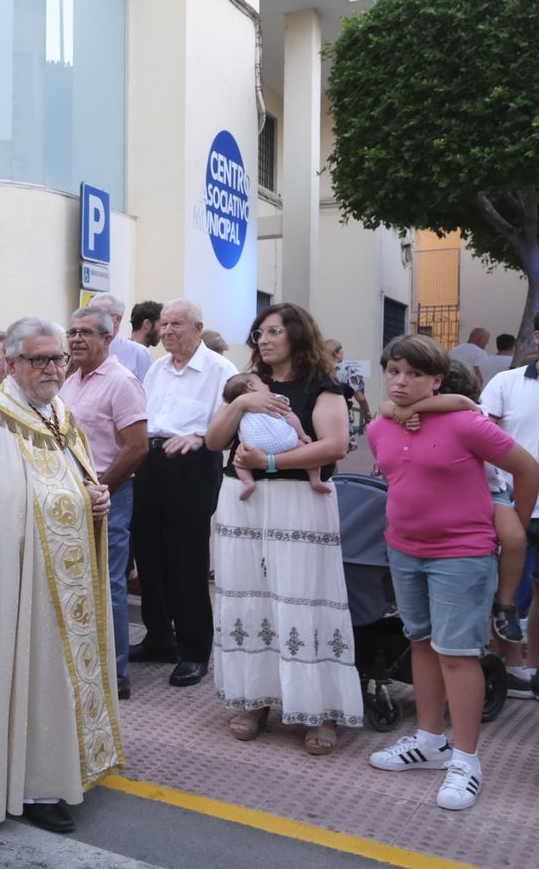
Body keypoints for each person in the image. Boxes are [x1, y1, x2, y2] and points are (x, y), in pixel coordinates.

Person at [0, 315, 121, 837]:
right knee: (28, 668)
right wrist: (74, 501)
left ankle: (62, 765)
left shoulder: (59, 414)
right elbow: (2, 508)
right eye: (39, 359)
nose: (52, 368)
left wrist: (96, 496)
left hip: (63, 575)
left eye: (58, 359)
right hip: (22, 581)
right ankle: (27, 783)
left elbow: (77, 480)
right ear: (10, 361)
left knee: (61, 669)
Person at [366, 334, 538, 810]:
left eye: (414, 374)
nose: (401, 382)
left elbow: (526, 468)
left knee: (458, 654)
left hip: (461, 557)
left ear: (436, 380)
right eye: (394, 371)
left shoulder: (466, 424)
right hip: (404, 549)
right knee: (420, 642)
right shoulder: (381, 426)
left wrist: (513, 528)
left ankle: (466, 759)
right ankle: (430, 741)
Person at [205, 304, 363, 755]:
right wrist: (241, 403)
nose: (264, 339)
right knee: (248, 594)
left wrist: (270, 462)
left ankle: (321, 707)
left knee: (304, 597)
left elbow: (333, 446)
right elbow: (214, 442)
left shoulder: (323, 386)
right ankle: (255, 699)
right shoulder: (248, 387)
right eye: (259, 333)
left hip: (299, 503)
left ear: (297, 334)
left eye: (274, 331)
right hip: (242, 503)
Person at [131, 298, 238, 687]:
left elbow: (227, 426)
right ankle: (160, 637)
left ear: (197, 327)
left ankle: (194, 650)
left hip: (193, 461)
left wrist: (197, 438)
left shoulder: (220, 369)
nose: (167, 331)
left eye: (176, 324)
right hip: (150, 460)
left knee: (187, 558)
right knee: (147, 552)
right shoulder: (157, 369)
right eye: (163, 325)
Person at [60, 305, 148, 701]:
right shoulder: (70, 381)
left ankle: (116, 673)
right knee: (75, 579)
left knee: (109, 583)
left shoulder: (121, 382)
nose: (76, 339)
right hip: (68, 495)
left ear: (108, 338)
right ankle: (81, 663)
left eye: (86, 333)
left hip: (108, 494)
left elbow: (136, 447)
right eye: (73, 332)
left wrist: (100, 486)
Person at [466, 315, 539, 691]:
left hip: (522, 505)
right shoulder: (507, 382)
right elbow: (480, 432)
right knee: (503, 592)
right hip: (509, 501)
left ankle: (531, 669)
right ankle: (512, 666)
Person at [221, 372, 329, 500]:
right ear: (251, 386)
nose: (266, 384)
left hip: (254, 447)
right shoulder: (271, 398)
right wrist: (302, 434)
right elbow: (289, 416)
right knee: (308, 454)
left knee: (239, 461)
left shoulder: (236, 408)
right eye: (262, 382)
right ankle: (315, 480)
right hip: (284, 440)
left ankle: (248, 483)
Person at [90, 294, 153, 382]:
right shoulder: (85, 349)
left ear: (118, 320)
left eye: (102, 316)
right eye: (91, 314)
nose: (95, 320)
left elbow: (147, 391)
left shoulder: (138, 353)